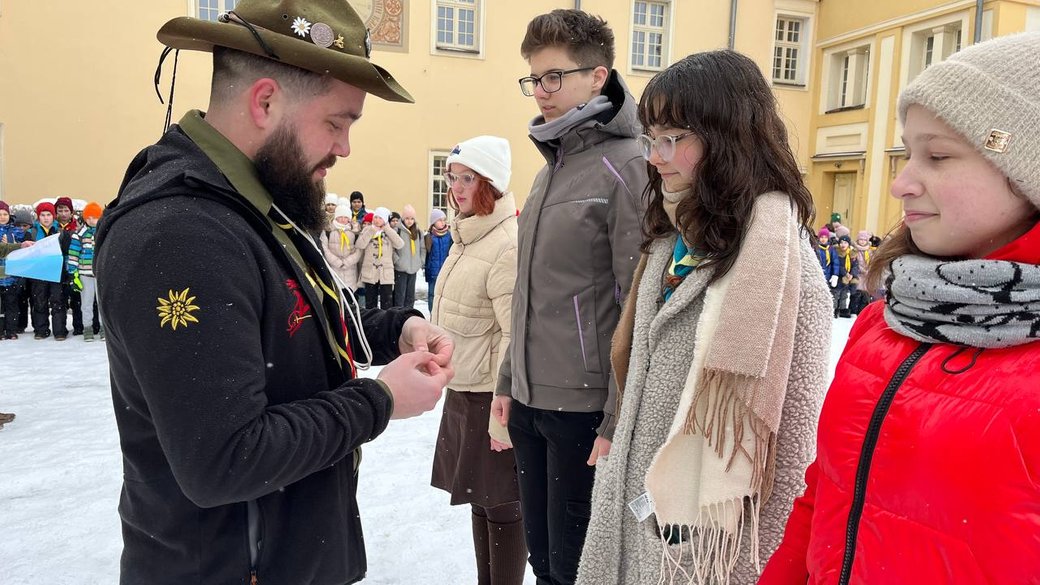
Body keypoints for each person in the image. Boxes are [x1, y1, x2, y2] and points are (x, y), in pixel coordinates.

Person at [92, 2, 454, 583]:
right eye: (336, 123)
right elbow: (224, 460)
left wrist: (394, 329)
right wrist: (378, 401)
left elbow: (286, 315)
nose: (345, 149)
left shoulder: (249, 202)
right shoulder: (181, 234)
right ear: (265, 103)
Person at [761, 32, 1040, 584]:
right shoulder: (885, 321)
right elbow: (825, 495)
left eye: (937, 156)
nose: (901, 184)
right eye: (908, 153)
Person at [573, 50, 831, 585]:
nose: (656, 156)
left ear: (730, 136)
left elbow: (791, 445)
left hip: (704, 543)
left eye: (675, 137)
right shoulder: (668, 241)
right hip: (632, 512)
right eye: (651, 138)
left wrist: (758, 563)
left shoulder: (784, 268)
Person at [491, 10, 646, 584]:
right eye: (533, 78)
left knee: (576, 569)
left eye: (554, 76)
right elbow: (529, 295)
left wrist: (615, 417)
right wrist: (509, 383)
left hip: (582, 411)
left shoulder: (626, 165)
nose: (541, 92)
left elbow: (636, 305)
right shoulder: (549, 169)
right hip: (532, 402)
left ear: (598, 76)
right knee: (542, 559)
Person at [430, 135, 526, 585]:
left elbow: (515, 337)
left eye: (467, 178)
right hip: (464, 391)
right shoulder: (468, 235)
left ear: (490, 182)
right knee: (478, 497)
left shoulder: (505, 243)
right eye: (452, 177)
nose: (456, 187)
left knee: (503, 504)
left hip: (492, 397)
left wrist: (503, 418)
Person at [29, 202, 66, 340]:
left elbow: (66, 252)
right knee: (39, 301)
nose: (46, 218)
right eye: (42, 215)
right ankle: (41, 330)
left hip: (56, 272)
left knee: (58, 301)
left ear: (53, 216)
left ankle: (60, 331)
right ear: (38, 217)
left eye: (48, 214)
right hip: (38, 273)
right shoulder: (32, 232)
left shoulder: (60, 232)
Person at [68, 202, 103, 341]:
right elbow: (73, 253)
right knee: (87, 303)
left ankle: (103, 328)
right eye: (88, 217)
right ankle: (87, 328)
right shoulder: (80, 234)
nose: (91, 220)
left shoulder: (103, 232)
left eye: (94, 217)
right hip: (85, 273)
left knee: (102, 303)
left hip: (100, 274)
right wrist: (73, 271)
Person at [357, 206, 403, 310]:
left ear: (385, 220)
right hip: (370, 271)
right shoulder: (367, 230)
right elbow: (360, 244)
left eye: (380, 218)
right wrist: (371, 231)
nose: (377, 220)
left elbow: (400, 244)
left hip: (385, 272)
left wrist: (387, 229)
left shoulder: (390, 232)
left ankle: (385, 324)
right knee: (370, 303)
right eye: (376, 217)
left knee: (386, 303)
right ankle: (371, 324)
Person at [55, 196, 84, 336]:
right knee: (59, 300)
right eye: (60, 210)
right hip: (56, 268)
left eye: (66, 210)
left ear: (71, 212)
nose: (63, 213)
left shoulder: (77, 226)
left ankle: (79, 327)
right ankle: (60, 330)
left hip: (74, 267)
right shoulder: (53, 227)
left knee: (76, 299)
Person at [0, 201, 29, 340]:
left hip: (11, 275)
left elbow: (22, 248)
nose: (2, 217)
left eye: (5, 214)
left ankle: (11, 330)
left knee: (11, 304)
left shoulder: (16, 231)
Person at [322, 202, 363, 293]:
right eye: (340, 217)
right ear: (336, 217)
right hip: (334, 270)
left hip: (350, 271)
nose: (343, 220)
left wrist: (347, 262)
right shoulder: (328, 230)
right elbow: (324, 248)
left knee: (349, 299)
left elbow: (359, 249)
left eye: (345, 217)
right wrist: (337, 262)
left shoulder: (355, 231)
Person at [393, 204, 425, 308]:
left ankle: (409, 316)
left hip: (413, 268)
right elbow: (392, 249)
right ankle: (399, 318)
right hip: (401, 269)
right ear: (402, 219)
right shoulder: (397, 231)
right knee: (400, 296)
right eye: (407, 218)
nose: (409, 221)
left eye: (412, 218)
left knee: (410, 297)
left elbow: (422, 248)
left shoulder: (418, 232)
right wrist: (397, 261)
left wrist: (420, 261)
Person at [424, 208, 452, 312]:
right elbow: (427, 255)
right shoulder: (429, 237)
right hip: (433, 272)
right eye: (439, 220)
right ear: (433, 222)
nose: (442, 222)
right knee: (432, 295)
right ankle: (433, 314)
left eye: (444, 220)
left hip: (446, 271)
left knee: (445, 296)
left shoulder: (449, 236)